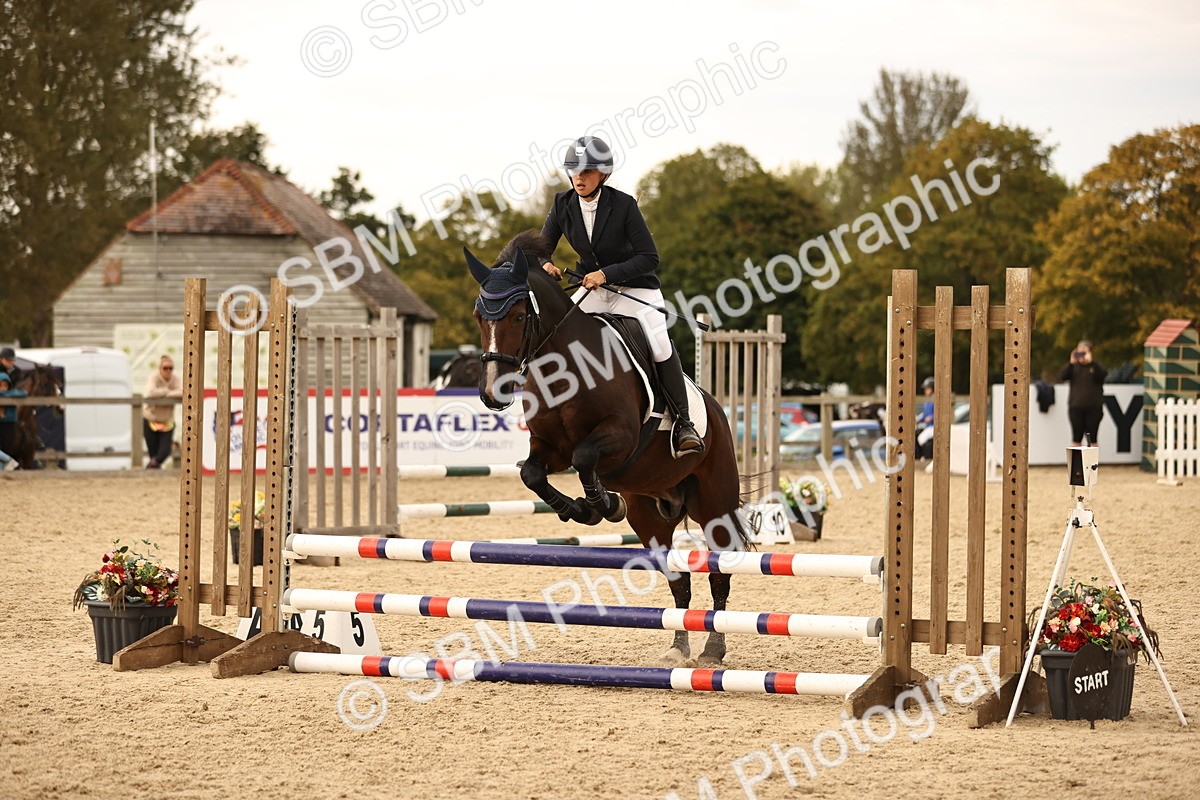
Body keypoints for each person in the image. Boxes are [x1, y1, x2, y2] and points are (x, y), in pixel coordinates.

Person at [537, 136, 703, 456]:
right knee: (555, 334)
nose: (579, 178)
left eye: (586, 171)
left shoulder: (624, 205)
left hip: (635, 287)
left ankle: (684, 423)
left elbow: (649, 257)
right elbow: (543, 248)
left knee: (658, 343)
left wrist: (607, 274)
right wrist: (545, 264)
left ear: (603, 174)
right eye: (574, 171)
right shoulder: (562, 204)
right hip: (592, 290)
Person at [1059, 340, 1107, 447]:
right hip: (1076, 407)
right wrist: (1071, 362)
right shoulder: (1073, 367)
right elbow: (1062, 376)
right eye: (1079, 352)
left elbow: (1102, 375)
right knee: (1076, 438)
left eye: (1084, 352)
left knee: (1092, 438)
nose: (1082, 355)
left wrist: (1091, 363)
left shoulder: (1095, 367)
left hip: (1093, 407)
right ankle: (1076, 463)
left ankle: (1092, 462)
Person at [142, 356, 182, 468]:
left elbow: (184, 391)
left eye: (171, 368)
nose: (168, 370)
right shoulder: (154, 378)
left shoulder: (175, 379)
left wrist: (166, 394)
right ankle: (153, 473)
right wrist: (168, 391)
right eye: (165, 368)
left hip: (167, 422)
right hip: (150, 420)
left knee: (165, 452)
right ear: (160, 369)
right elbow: (150, 392)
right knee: (153, 453)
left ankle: (150, 467)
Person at [0, 371, 28, 468]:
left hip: (9, 425)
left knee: (8, 448)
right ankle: (11, 465)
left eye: (5, 386)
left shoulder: (13, 394)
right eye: (0, 386)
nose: (3, 388)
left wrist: (5, 395)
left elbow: (24, 393)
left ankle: (11, 465)